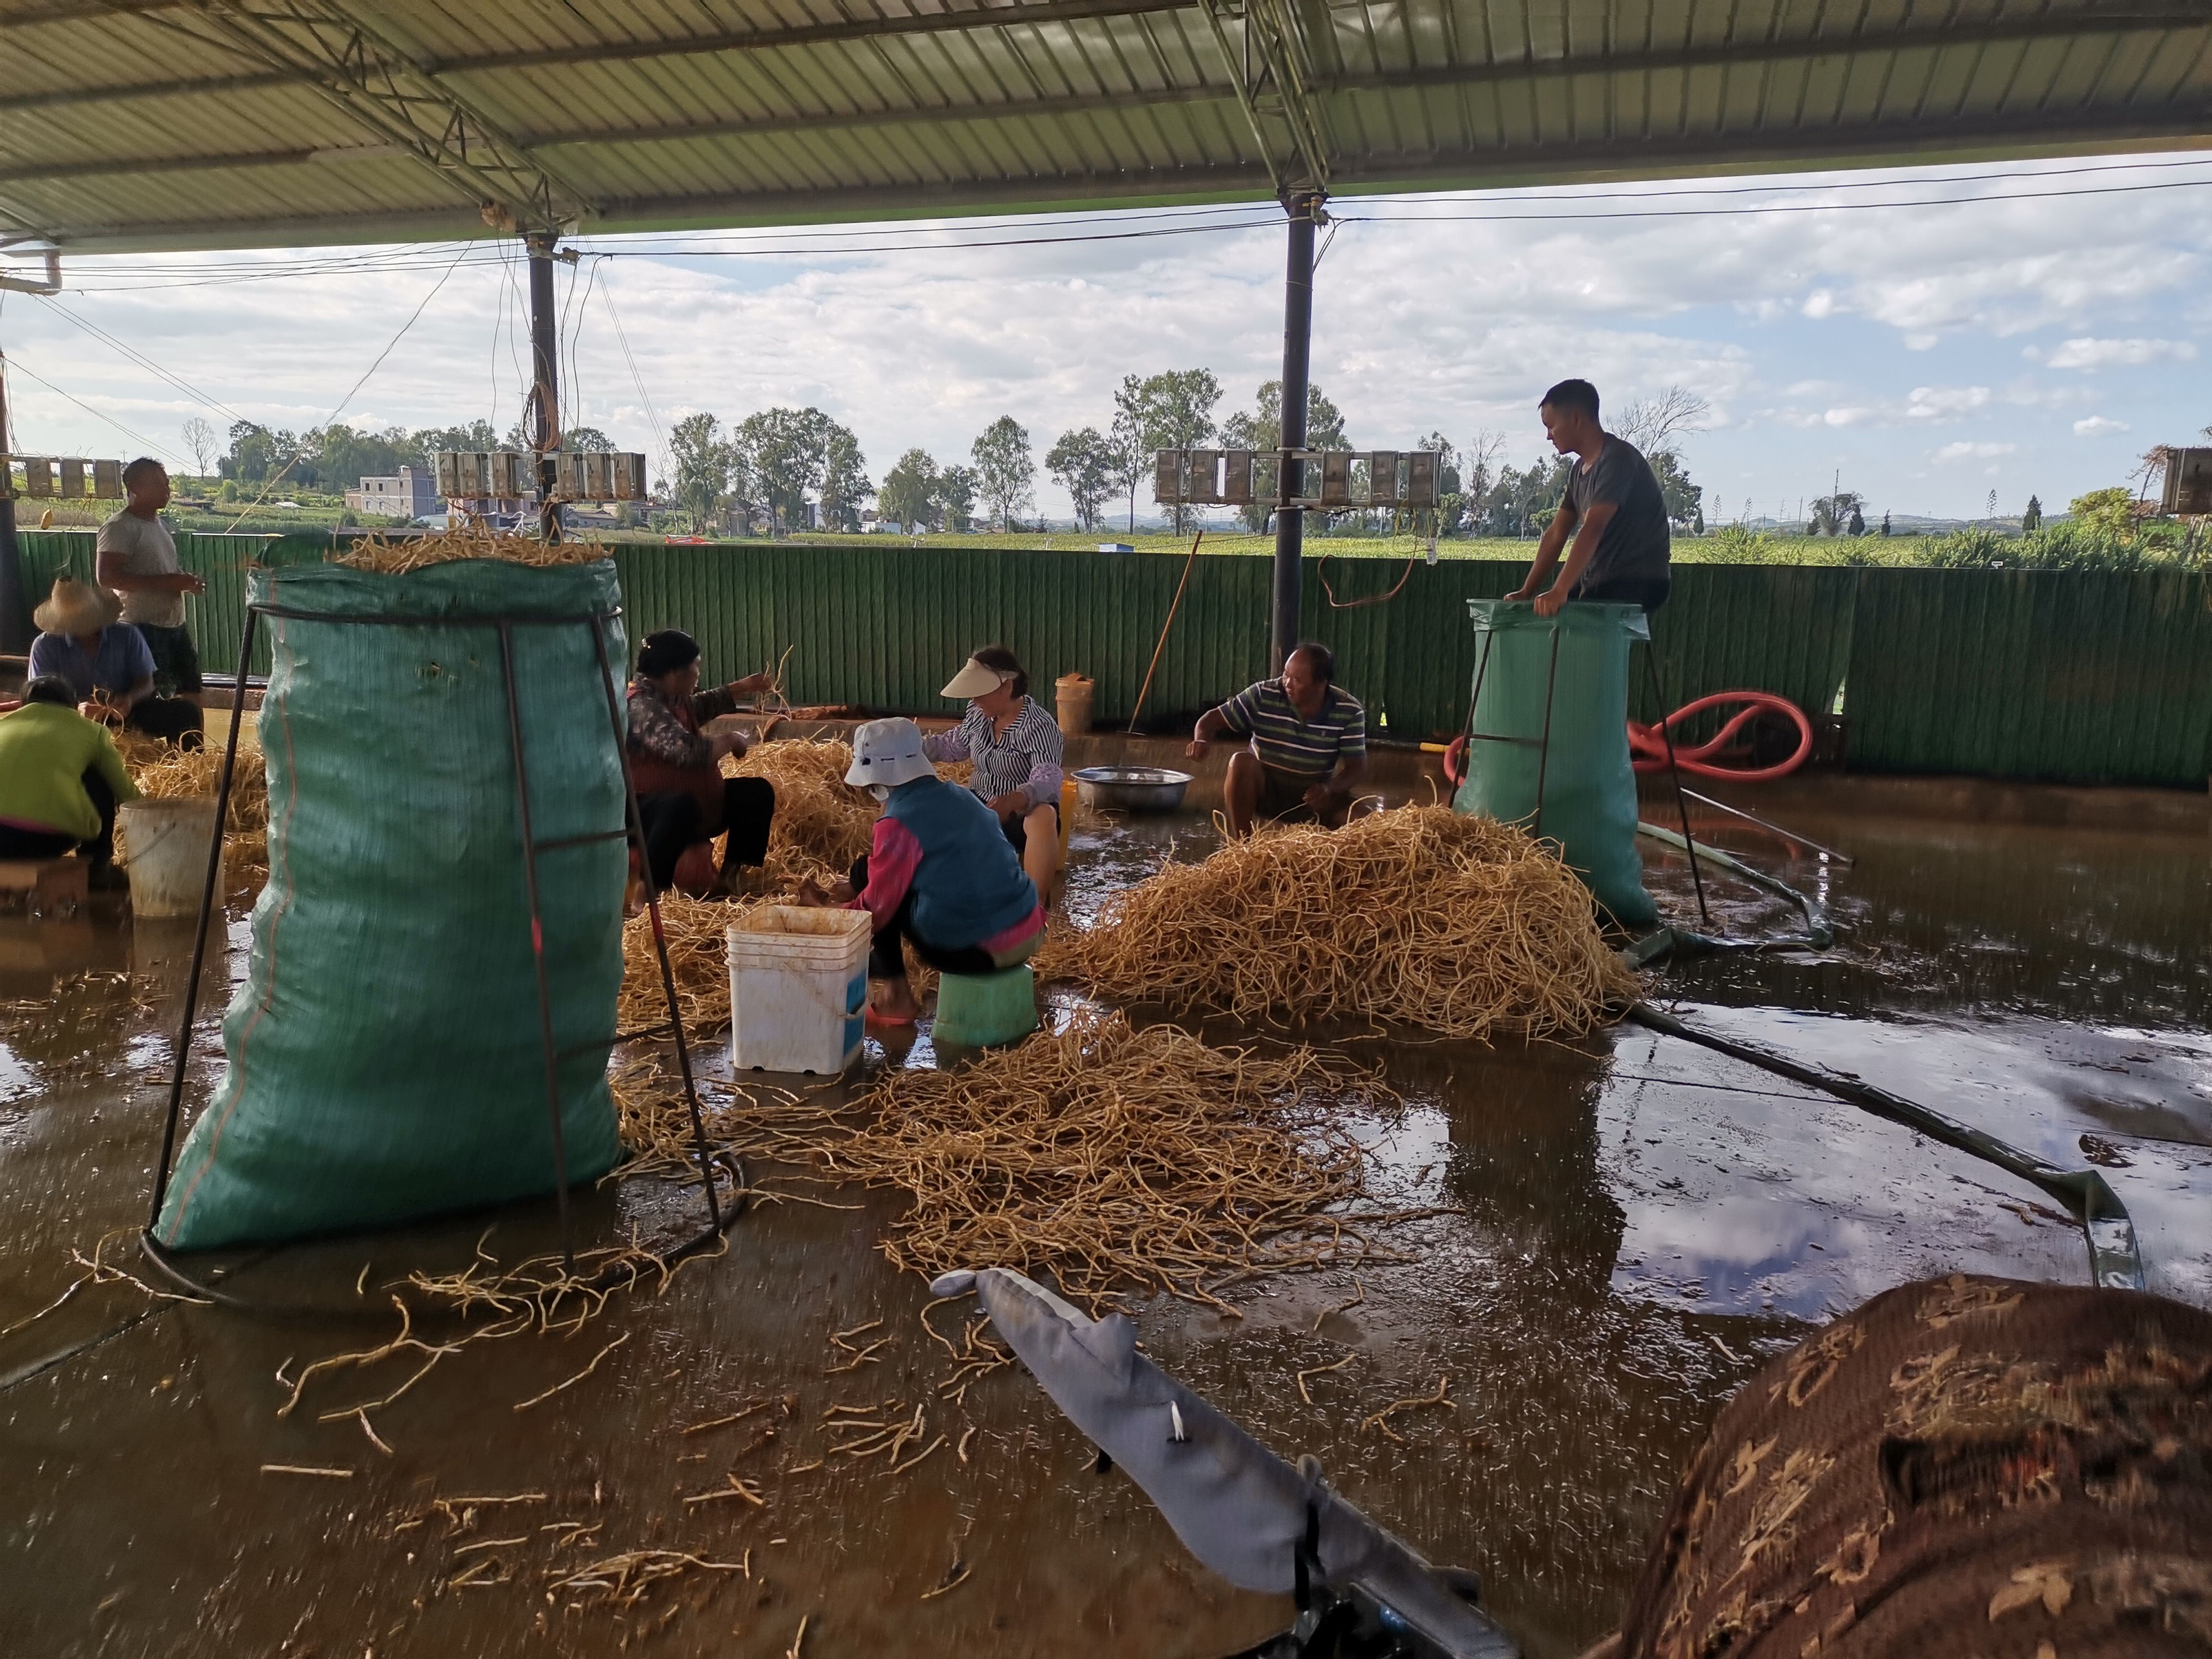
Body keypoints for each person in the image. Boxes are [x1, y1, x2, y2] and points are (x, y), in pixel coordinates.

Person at [800, 718, 1043, 1026]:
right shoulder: (963, 796)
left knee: (876, 887)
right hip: (1031, 931)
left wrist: (823, 910)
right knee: (868, 870)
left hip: (980, 950)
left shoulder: (898, 824)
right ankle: (882, 966)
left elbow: (874, 914)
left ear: (875, 781)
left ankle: (895, 997)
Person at [625, 629, 778, 896]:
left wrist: (743, 687)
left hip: (697, 804)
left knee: (756, 793)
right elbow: (688, 753)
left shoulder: (672, 697)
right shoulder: (642, 706)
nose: (698, 674)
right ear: (675, 673)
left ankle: (729, 878)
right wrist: (731, 740)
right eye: (695, 667)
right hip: (647, 812)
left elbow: (702, 705)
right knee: (680, 805)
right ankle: (649, 892)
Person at [1507, 378, 1673, 617]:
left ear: (1576, 419)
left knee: (1569, 613)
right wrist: (1527, 591)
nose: (1548, 436)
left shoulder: (1617, 460)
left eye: (1550, 426)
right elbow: (1556, 533)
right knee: (1547, 616)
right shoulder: (1578, 471)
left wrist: (1560, 590)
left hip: (1639, 580)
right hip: (1601, 577)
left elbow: (1593, 527)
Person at [924, 646, 1065, 900]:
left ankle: (1034, 906)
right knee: (934, 804)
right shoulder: (978, 713)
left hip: (1018, 816)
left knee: (1044, 815)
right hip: (979, 804)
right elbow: (953, 746)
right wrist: (911, 747)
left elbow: (1049, 779)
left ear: (1006, 687)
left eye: (981, 693)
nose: (975, 700)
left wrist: (1014, 800)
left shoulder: (1039, 726)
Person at [1186, 641, 1368, 838]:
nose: (1287, 684)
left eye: (1297, 680)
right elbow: (1210, 720)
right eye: (1286, 675)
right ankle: (1242, 846)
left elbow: (1356, 768)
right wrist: (1202, 739)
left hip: (1314, 799)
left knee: (1371, 825)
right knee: (1240, 762)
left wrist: (1329, 789)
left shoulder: (1349, 711)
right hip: (1266, 794)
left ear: (1321, 683)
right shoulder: (1264, 694)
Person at [25, 577, 205, 747]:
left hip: (126, 715)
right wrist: (77, 709)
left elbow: (146, 682)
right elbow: (41, 702)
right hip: (72, 723)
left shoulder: (126, 635)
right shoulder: (44, 646)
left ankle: (187, 774)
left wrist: (128, 699)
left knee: (186, 711)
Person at [0, 676, 142, 887]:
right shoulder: (93, 732)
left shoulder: (3, 727)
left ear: (22, 705)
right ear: (75, 706)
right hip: (44, 840)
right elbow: (127, 795)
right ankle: (96, 867)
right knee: (98, 776)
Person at [97, 458, 207, 709]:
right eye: (158, 484)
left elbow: (162, 572)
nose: (166, 490)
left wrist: (184, 582)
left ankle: (192, 747)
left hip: (173, 624)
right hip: (142, 627)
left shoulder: (160, 525)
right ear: (134, 486)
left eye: (167, 484)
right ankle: (154, 748)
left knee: (191, 690)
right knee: (150, 700)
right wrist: (169, 582)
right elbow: (107, 578)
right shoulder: (119, 527)